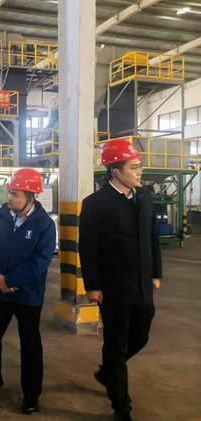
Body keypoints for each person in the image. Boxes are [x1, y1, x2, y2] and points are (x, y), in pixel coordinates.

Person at [79, 139, 162, 421]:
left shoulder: (145, 198)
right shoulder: (95, 204)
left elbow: (152, 238)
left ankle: (107, 372)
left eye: (139, 166)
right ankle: (121, 406)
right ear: (116, 171)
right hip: (113, 288)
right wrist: (92, 285)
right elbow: (87, 248)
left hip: (142, 285)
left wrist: (156, 272)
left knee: (141, 335)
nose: (140, 172)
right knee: (116, 344)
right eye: (134, 167)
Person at [0, 168, 56, 415]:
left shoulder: (45, 225)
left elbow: (41, 261)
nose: (10, 197)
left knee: (30, 345)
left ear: (31, 196)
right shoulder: (0, 216)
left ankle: (31, 395)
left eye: (15, 194)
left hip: (28, 295)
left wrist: (12, 280)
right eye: (9, 192)